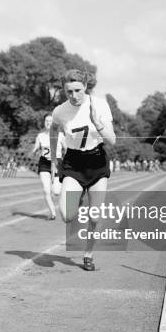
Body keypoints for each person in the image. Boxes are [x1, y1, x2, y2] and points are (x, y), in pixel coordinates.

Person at [50, 69, 116, 271]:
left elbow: (112, 141)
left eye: (77, 90)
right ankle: (77, 198)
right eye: (69, 91)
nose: (74, 96)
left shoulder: (100, 105)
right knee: (67, 216)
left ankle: (88, 254)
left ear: (86, 87)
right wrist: (54, 158)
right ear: (64, 90)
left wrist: (98, 124)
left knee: (95, 217)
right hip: (73, 163)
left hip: (96, 161)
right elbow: (53, 130)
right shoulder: (60, 111)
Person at [31, 114, 65, 220]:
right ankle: (53, 213)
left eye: (50, 121)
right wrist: (33, 151)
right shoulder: (40, 136)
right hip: (44, 163)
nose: (48, 123)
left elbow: (66, 149)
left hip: (57, 163)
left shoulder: (60, 135)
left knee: (56, 192)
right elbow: (36, 146)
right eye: (46, 121)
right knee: (46, 190)